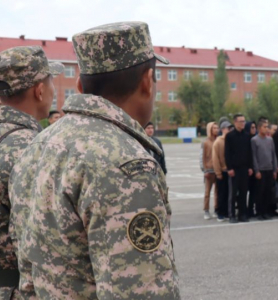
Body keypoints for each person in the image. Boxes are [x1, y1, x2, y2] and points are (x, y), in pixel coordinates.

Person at [9, 22, 180, 298]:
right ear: (148, 81)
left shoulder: (38, 145)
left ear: (80, 84)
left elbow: (27, 271)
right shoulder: (126, 163)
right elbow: (139, 290)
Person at [0, 46, 63, 300]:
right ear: (39, 90)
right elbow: (46, 244)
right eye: (51, 82)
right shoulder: (32, 148)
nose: (53, 91)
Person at [225, 114, 253, 223]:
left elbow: (249, 153)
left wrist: (250, 167)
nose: (243, 123)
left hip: (245, 168)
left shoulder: (247, 136)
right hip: (234, 169)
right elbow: (227, 153)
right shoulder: (230, 136)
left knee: (243, 192)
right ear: (235, 122)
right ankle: (232, 215)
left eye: (244, 121)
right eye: (241, 121)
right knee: (233, 193)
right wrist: (229, 168)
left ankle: (242, 214)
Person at [251, 120, 278, 220]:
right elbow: (253, 156)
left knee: (268, 191)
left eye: (267, 127)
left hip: (269, 169)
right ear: (259, 128)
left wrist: (275, 169)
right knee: (260, 192)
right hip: (261, 170)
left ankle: (266, 211)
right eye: (264, 127)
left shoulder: (270, 140)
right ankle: (259, 212)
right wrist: (256, 170)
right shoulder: (254, 140)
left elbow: (273, 154)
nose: (266, 129)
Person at [212, 121, 232, 222]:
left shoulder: (230, 140)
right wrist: (218, 172)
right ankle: (220, 213)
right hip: (222, 172)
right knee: (221, 194)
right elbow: (215, 159)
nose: (230, 130)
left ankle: (227, 212)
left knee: (229, 193)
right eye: (228, 128)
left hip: (230, 171)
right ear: (223, 129)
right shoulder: (218, 142)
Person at [200, 122, 219, 219]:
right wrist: (204, 170)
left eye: (217, 128)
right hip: (209, 171)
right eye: (214, 128)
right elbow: (201, 157)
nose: (216, 129)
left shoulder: (218, 140)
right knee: (207, 192)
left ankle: (216, 209)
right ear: (210, 129)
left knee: (217, 192)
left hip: (217, 170)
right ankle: (206, 210)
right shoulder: (205, 142)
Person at [245, 121, 257, 218]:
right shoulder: (245, 139)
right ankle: (243, 210)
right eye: (252, 127)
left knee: (254, 191)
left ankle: (251, 209)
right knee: (244, 191)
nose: (254, 129)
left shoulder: (256, 139)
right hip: (246, 169)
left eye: (255, 127)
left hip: (255, 168)